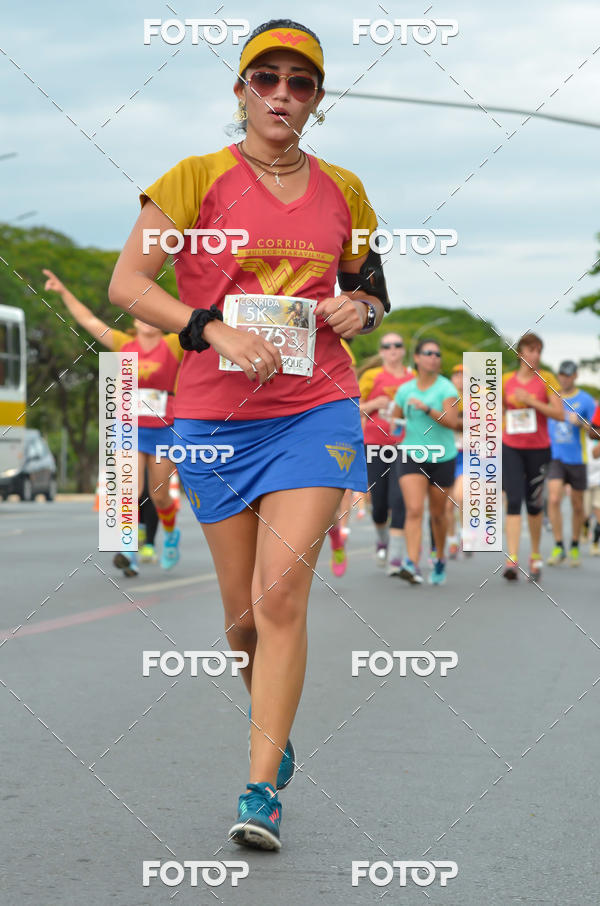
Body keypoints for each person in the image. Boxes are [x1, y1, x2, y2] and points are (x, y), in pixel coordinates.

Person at [107, 19, 388, 851]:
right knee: (240, 620)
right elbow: (128, 283)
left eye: (300, 84)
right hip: (213, 419)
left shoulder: (347, 191)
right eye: (265, 79)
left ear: (316, 102)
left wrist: (359, 308)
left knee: (280, 596)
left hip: (318, 407)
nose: (281, 95)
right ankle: (276, 723)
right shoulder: (193, 180)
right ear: (241, 92)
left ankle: (260, 783)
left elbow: (373, 292)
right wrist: (208, 328)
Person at [42, 269, 183, 574]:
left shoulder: (173, 345)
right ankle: (127, 552)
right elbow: (89, 321)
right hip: (129, 429)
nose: (145, 318)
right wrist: (63, 291)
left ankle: (171, 535)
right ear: (133, 321)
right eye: (139, 314)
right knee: (129, 492)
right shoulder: (123, 344)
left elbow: (203, 333)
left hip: (163, 429)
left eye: (151, 314)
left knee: (159, 494)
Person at [390, 338, 460, 586]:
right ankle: (411, 563)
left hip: (443, 456)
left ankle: (439, 557)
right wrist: (389, 417)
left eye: (437, 354)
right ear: (417, 358)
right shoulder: (405, 390)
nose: (434, 357)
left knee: (439, 515)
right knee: (415, 510)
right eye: (429, 353)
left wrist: (426, 409)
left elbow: (452, 421)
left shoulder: (446, 389)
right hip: (412, 454)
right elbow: (395, 419)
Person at [501, 332, 563, 581]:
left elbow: (558, 414)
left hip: (539, 448)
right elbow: (499, 409)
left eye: (539, 351)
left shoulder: (546, 379)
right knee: (514, 500)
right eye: (531, 350)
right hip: (511, 446)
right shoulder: (506, 380)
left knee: (534, 503)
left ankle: (535, 554)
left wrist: (532, 402)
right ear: (520, 354)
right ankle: (512, 558)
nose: (535, 355)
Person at [359, 332, 413, 574]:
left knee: (399, 499)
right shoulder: (372, 376)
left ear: (403, 350)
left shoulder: (413, 378)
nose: (392, 349)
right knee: (379, 504)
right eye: (387, 346)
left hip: (404, 445)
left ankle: (396, 556)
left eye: (397, 345)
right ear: (381, 351)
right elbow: (352, 405)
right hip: (375, 445)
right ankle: (382, 539)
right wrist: (373, 405)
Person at [546, 360, 597, 567]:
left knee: (577, 506)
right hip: (555, 457)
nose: (565, 378)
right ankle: (559, 545)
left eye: (568, 375)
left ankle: (575, 545)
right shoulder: (552, 397)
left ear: (575, 376)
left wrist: (583, 424)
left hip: (578, 458)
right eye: (562, 374)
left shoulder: (585, 400)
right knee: (555, 498)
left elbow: (596, 431)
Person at [446, 363, 465, 558]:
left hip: (466, 454)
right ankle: (452, 539)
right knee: (447, 503)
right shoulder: (446, 398)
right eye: (456, 375)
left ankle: (464, 531)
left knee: (460, 496)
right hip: (448, 452)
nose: (459, 379)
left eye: (463, 375)